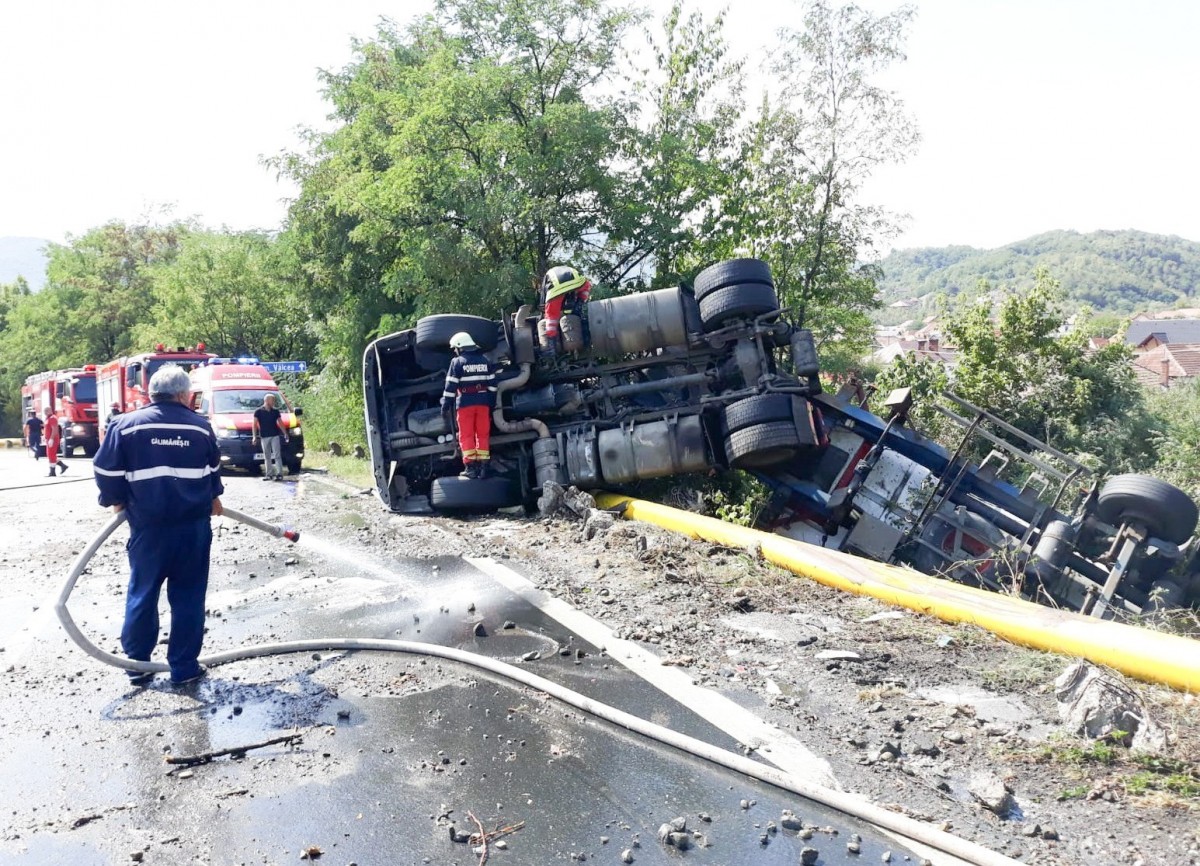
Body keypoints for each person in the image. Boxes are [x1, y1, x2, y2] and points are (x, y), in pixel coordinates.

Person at [92, 364, 224, 687]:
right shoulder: (201, 428)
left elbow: (105, 470)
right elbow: (213, 471)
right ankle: (184, 668)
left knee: (143, 592)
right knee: (189, 597)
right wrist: (214, 496)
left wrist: (116, 499)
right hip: (192, 530)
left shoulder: (124, 426)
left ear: (152, 394)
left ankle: (137, 665)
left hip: (148, 529)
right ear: (183, 394)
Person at [440, 331, 497, 479]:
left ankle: (471, 468)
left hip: (465, 403)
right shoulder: (485, 361)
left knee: (466, 435)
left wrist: (446, 405)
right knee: (482, 434)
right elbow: (492, 385)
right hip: (483, 403)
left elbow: (451, 386)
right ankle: (484, 467)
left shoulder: (457, 362)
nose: (455, 351)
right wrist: (491, 403)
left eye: (455, 348)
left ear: (460, 347)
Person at [539, 264, 592, 340]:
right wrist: (580, 302)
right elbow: (586, 285)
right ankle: (579, 305)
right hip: (578, 282)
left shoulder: (547, 281)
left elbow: (545, 307)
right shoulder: (567, 269)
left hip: (557, 289)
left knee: (551, 317)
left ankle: (551, 344)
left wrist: (549, 327)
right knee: (585, 288)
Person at [252, 393, 290, 481]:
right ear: (267, 400)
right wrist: (254, 436)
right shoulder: (258, 411)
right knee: (267, 456)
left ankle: (279, 473)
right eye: (272, 400)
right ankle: (269, 474)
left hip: (275, 435)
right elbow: (254, 424)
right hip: (264, 436)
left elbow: (280, 422)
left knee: (277, 455)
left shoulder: (275, 411)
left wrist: (285, 433)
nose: (274, 402)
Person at [43, 407, 68, 476]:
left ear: (50, 411)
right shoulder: (47, 418)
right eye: (44, 411)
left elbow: (55, 430)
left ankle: (52, 471)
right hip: (48, 439)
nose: (45, 412)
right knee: (50, 455)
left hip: (53, 439)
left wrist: (51, 439)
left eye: (46, 411)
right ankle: (62, 466)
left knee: (51, 455)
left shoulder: (53, 418)